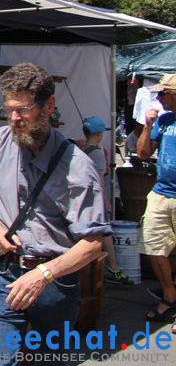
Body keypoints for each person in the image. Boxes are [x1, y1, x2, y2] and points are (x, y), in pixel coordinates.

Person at [0, 62, 108, 366]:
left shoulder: (78, 166)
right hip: (4, 275)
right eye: (9, 110)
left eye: (23, 110)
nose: (14, 119)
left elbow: (93, 244)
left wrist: (44, 274)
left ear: (49, 105)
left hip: (54, 283)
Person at [136, 73, 176, 322]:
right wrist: (148, 126)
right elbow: (142, 154)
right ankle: (170, 295)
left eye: (163, 93)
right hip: (161, 193)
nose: (159, 98)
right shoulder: (164, 120)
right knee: (152, 244)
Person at [78, 116, 133, 285]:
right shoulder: (97, 152)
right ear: (99, 134)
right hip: (95, 197)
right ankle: (113, 268)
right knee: (105, 231)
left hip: (83, 196)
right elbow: (99, 180)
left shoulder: (82, 148)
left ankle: (107, 268)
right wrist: (106, 201)